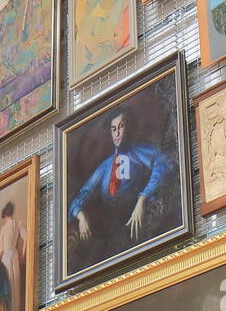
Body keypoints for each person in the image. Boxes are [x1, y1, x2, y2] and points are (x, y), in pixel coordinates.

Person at [68, 110, 177, 262]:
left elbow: (164, 163)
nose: (117, 133)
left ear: (129, 128)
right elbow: (82, 195)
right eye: (114, 129)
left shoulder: (140, 153)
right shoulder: (105, 166)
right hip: (109, 227)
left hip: (133, 219)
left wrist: (142, 199)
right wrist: (80, 216)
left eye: (121, 126)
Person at [0, 201, 26, 311]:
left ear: (4, 216)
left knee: (8, 291)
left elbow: (0, 251)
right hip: (15, 257)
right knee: (15, 289)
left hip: (7, 259)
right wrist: (22, 254)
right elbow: (27, 238)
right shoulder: (18, 224)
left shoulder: (4, 228)